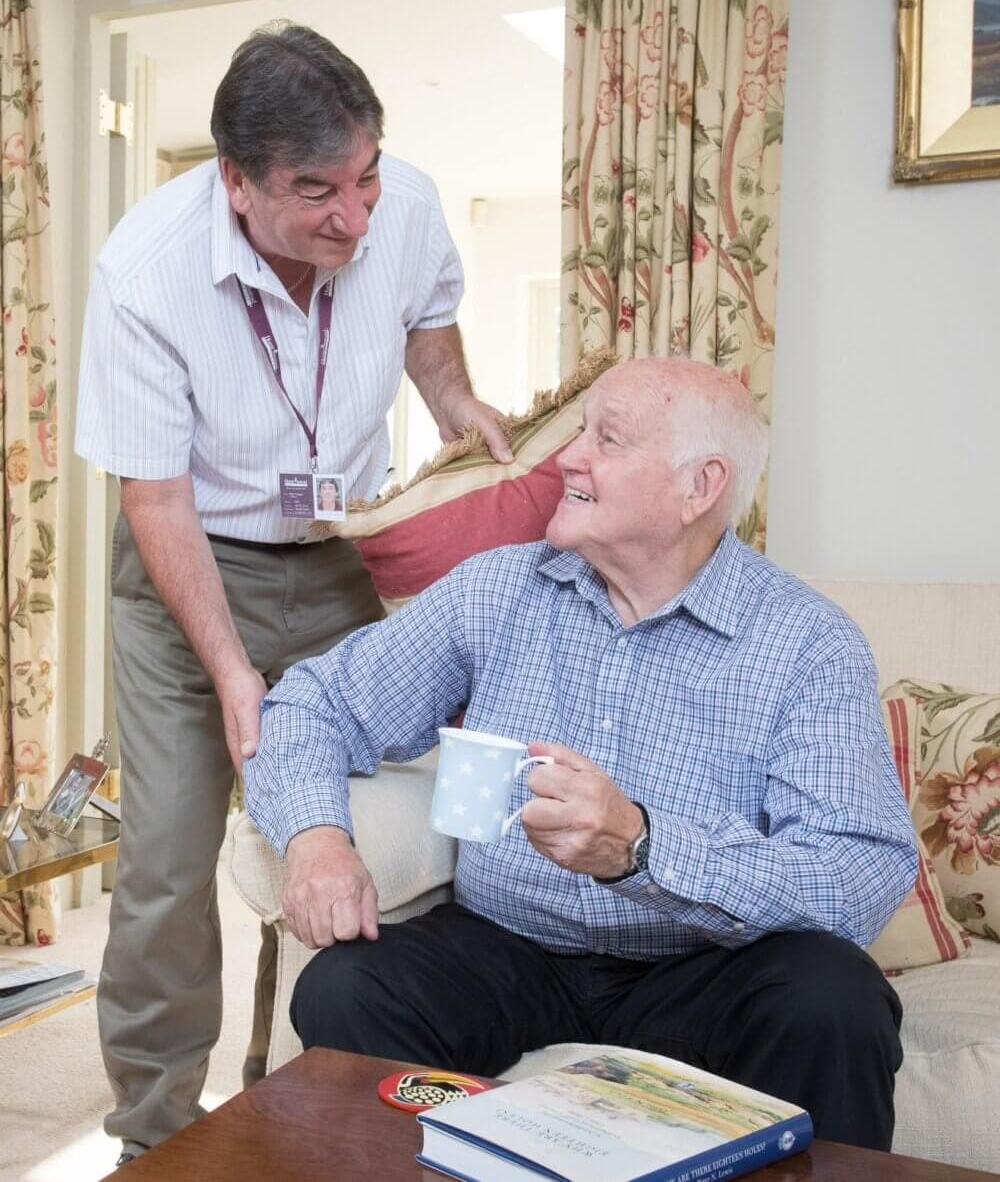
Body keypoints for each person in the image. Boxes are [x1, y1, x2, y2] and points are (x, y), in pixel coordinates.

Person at [246, 358, 919, 1152]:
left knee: (834, 1002)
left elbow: (856, 874)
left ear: (698, 486)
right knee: (347, 989)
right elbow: (311, 702)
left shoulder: (807, 644)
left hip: (704, 963)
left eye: (608, 439)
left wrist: (644, 846)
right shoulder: (498, 590)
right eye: (579, 434)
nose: (568, 458)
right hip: (510, 946)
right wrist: (315, 835)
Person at [74, 22, 511, 1166]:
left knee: (360, 824)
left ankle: (327, 1094)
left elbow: (429, 339)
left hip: (339, 554)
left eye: (365, 178)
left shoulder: (400, 207)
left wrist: (461, 414)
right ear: (235, 180)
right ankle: (155, 1132)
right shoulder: (146, 272)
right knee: (168, 861)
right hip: (189, 567)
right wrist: (228, 671)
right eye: (317, 191)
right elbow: (156, 501)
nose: (354, 218)